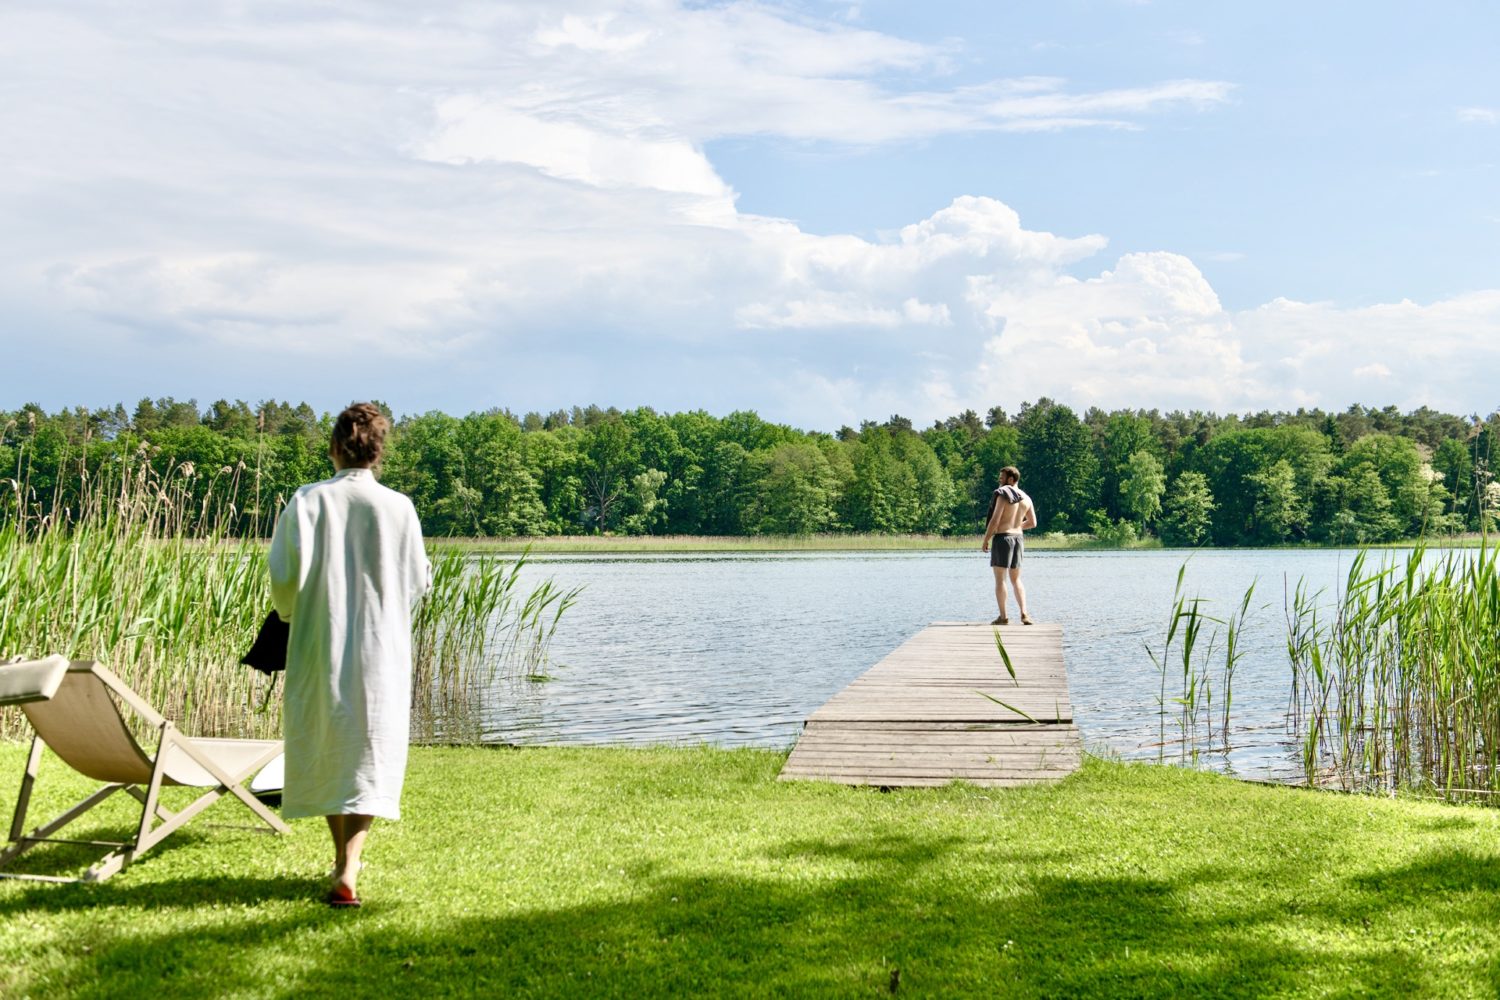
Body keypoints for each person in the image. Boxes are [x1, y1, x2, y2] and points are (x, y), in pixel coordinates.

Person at [269, 402, 430, 908]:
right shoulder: (398, 507)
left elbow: (283, 577)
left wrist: (292, 613)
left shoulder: (308, 501)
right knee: (367, 748)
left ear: (336, 447)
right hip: (380, 644)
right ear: (379, 452)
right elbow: (418, 581)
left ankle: (342, 860)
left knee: (328, 742)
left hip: (321, 638)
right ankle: (349, 863)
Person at [980, 465, 1037, 626]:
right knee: (1016, 579)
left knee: (1000, 580)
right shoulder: (1026, 497)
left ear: (1011, 479)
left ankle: (1003, 617)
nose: (1000, 481)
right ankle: (1024, 613)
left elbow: (995, 520)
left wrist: (986, 539)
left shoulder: (1003, 494)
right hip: (1018, 538)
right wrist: (1017, 526)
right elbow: (1033, 523)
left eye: (1002, 478)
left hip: (1003, 538)